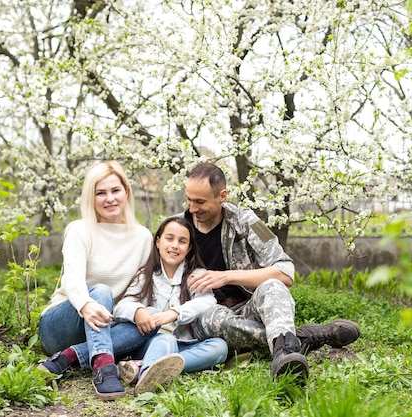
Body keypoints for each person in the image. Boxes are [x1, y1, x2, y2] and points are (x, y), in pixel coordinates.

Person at [182, 163, 361, 382]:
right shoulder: (177, 228)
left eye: (200, 202)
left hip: (248, 307)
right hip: (205, 313)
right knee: (213, 318)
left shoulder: (247, 221)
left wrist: (227, 275)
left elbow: (284, 271)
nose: (192, 208)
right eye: (189, 199)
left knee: (274, 285)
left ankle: (285, 358)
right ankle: (297, 339)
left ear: (222, 196)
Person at [37, 161, 155, 401]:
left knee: (152, 318)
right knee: (100, 292)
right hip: (63, 323)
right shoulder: (80, 230)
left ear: (126, 192)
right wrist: (86, 305)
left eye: (115, 191)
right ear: (90, 197)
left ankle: (68, 357)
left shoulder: (143, 237)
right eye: (100, 193)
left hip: (107, 326)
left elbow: (138, 292)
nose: (109, 198)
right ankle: (104, 369)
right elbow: (72, 279)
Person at [113, 216, 228, 395]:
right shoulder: (145, 275)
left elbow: (208, 301)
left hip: (182, 344)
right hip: (150, 343)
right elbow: (121, 306)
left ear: (189, 248)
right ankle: (147, 376)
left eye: (182, 241)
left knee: (220, 347)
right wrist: (137, 311)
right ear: (158, 242)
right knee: (165, 339)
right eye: (169, 239)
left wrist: (175, 312)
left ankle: (145, 367)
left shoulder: (196, 275)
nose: (175, 245)